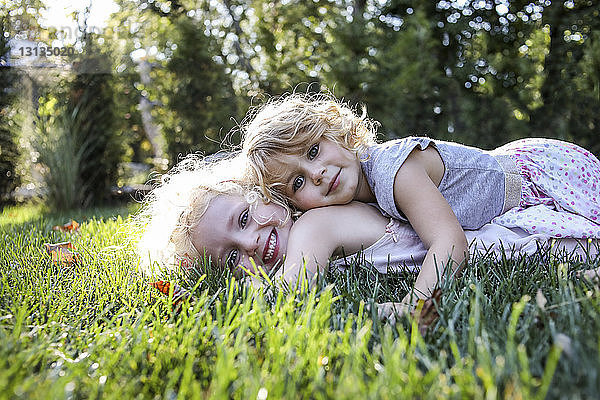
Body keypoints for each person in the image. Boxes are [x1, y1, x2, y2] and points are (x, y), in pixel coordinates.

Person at [241, 92, 600, 306]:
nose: (316, 173)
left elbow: (449, 241)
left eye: (314, 150)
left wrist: (417, 302)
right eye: (298, 181)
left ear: (336, 132)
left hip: (538, 175)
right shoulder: (357, 200)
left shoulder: (395, 171)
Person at [136, 154, 600, 315]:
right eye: (232, 260)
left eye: (243, 220)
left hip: (499, 242)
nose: (251, 243)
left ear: (265, 194)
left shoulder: (315, 226)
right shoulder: (326, 212)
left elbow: (287, 295)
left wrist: (251, 291)